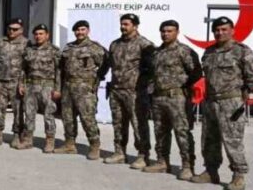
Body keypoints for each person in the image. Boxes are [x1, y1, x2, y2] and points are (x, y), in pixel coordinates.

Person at [191, 16, 253, 190]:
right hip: (210, 101)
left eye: (224, 29)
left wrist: (243, 94)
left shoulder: (242, 51)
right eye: (217, 30)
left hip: (231, 102)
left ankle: (238, 175)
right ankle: (211, 171)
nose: (220, 33)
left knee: (232, 140)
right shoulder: (209, 52)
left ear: (232, 30)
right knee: (209, 139)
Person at [145, 20, 202, 180]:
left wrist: (184, 87)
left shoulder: (184, 51)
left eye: (170, 31)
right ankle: (163, 161)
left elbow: (196, 72)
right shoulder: (156, 53)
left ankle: (187, 166)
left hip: (177, 97)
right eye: (163, 31)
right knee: (160, 131)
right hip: (158, 97)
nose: (166, 34)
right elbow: (152, 73)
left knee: (182, 132)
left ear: (177, 32)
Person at [102, 14, 155, 168]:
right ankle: (119, 152)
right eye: (122, 24)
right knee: (118, 123)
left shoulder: (145, 45)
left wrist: (146, 89)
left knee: (139, 124)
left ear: (135, 26)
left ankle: (143, 155)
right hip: (116, 90)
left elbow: (152, 70)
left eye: (126, 24)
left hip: (135, 92)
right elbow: (109, 65)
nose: (123, 27)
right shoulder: (115, 45)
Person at [56, 20, 107, 159]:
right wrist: (59, 88)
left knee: (87, 118)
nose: (80, 32)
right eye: (77, 30)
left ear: (88, 31)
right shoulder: (68, 48)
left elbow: (106, 63)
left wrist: (97, 79)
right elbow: (60, 69)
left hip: (84, 89)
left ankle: (94, 145)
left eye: (82, 30)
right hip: (68, 88)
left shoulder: (95, 48)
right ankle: (69, 144)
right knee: (67, 118)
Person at [18, 25, 62, 153]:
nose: (38, 36)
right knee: (29, 113)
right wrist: (21, 84)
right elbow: (23, 69)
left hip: (47, 86)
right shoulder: (29, 50)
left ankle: (49, 140)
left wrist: (58, 89)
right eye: (36, 34)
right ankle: (28, 139)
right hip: (31, 85)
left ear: (47, 35)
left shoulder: (54, 51)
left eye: (41, 33)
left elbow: (59, 71)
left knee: (49, 114)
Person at [0, 18, 28, 147]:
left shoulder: (26, 43)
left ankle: (17, 135)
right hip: (1, 81)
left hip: (16, 82)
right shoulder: (0, 41)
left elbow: (27, 65)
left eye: (15, 29)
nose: (12, 31)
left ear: (21, 30)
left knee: (18, 110)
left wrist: (23, 83)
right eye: (10, 29)